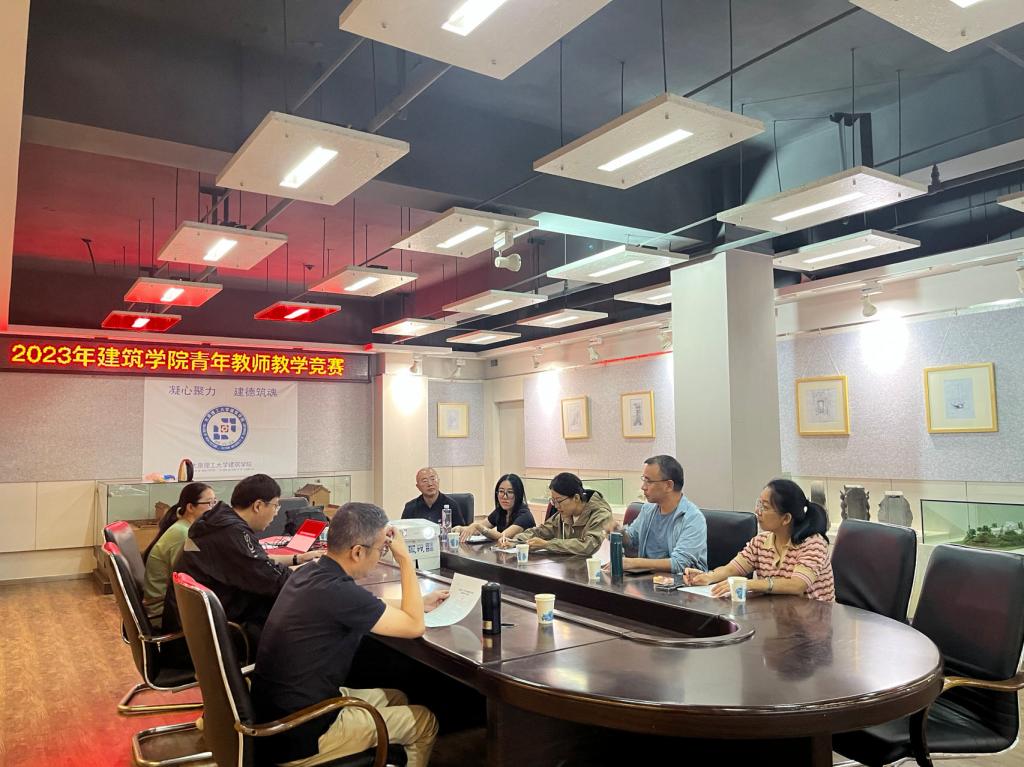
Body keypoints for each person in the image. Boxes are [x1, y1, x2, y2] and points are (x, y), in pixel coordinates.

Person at [252, 502, 448, 767]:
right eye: (381, 550)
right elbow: (414, 626)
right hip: (301, 734)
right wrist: (404, 558)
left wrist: (419, 602)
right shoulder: (338, 591)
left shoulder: (313, 572)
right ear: (357, 552)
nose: (380, 556)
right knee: (425, 721)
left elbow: (367, 606)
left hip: (278, 710)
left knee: (396, 697)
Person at [162, 473, 321, 642]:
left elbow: (259, 561)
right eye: (275, 506)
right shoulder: (232, 532)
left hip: (195, 624)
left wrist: (299, 560)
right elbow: (274, 578)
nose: (276, 513)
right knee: (298, 606)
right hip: (208, 635)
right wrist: (314, 571)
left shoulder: (220, 523)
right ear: (258, 506)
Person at [684, 478, 835, 602]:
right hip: (778, 617)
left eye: (765, 507)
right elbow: (732, 569)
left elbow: (797, 585)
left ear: (786, 518)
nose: (758, 511)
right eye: (759, 504)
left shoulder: (813, 544)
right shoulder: (761, 541)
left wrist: (750, 584)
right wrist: (707, 577)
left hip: (813, 622)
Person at [605, 455, 707, 574]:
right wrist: (619, 533)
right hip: (647, 579)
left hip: (681, 582)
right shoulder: (648, 510)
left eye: (649, 481)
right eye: (643, 480)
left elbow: (679, 563)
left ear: (668, 485)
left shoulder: (692, 518)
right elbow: (632, 540)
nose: (643, 487)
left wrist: (634, 563)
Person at [141, 482, 216, 626]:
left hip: (167, 605)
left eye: (215, 502)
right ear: (190, 507)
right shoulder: (183, 533)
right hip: (163, 613)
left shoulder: (182, 526)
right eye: (209, 503)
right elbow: (184, 582)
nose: (214, 509)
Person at [499, 473, 611, 556]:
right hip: (570, 569)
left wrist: (547, 544)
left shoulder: (600, 514)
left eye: (559, 501)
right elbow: (540, 531)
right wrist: (515, 541)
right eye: (553, 501)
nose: (556, 506)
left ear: (576, 498)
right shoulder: (564, 513)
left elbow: (589, 545)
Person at [455, 473, 534, 542]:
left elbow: (502, 537)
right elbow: (478, 528)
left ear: (518, 495)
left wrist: (478, 526)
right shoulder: (501, 511)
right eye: (501, 491)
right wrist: (460, 529)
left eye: (510, 492)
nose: (504, 496)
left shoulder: (525, 516)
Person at [401, 467, 469, 527]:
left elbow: (460, 531)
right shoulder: (410, 507)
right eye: (425, 481)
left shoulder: (451, 505)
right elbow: (402, 532)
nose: (430, 484)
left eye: (433, 479)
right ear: (418, 487)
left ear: (438, 481)